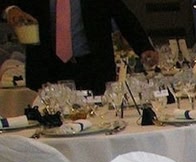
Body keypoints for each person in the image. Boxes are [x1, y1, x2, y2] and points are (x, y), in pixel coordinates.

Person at [0, 0, 157, 94]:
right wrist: (11, 10)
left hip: (92, 68)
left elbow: (122, 15)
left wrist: (144, 47)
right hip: (46, 67)